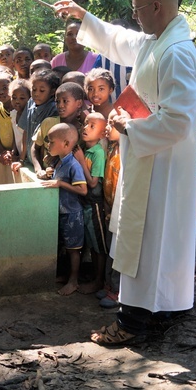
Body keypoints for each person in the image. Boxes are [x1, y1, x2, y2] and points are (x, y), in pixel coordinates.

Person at [54, 0, 196, 345]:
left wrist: (129, 125)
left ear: (156, 8)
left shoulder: (176, 51)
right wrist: (83, 16)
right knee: (157, 240)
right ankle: (163, 311)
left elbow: (179, 120)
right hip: (151, 158)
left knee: (149, 239)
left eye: (137, 10)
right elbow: (121, 40)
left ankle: (132, 323)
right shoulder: (158, 41)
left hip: (161, 166)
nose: (134, 17)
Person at [40, 123, 87, 296]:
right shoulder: (60, 161)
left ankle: (73, 281)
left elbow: (83, 190)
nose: (48, 145)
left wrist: (60, 183)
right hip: (62, 211)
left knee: (74, 249)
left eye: (52, 142)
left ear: (66, 144)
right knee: (65, 246)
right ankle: (66, 276)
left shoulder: (73, 165)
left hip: (72, 213)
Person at [78, 112, 108, 294]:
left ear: (102, 133)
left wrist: (81, 161)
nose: (86, 129)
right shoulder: (86, 148)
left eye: (92, 127)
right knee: (92, 243)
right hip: (86, 203)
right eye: (86, 124)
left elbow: (93, 183)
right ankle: (95, 276)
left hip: (95, 204)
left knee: (99, 245)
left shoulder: (97, 152)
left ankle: (99, 280)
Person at [31, 82, 86, 177]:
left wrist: (57, 157)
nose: (60, 105)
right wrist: (39, 170)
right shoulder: (48, 123)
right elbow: (35, 148)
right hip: (45, 177)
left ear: (79, 103)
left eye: (65, 101)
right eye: (57, 101)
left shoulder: (82, 132)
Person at [99, 119, 122, 308]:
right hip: (110, 207)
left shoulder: (126, 152)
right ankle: (109, 286)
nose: (107, 128)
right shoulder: (113, 148)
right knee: (109, 248)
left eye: (112, 124)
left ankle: (116, 291)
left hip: (120, 210)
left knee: (117, 251)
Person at [24, 69, 60, 171]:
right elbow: (25, 131)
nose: (36, 94)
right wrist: (22, 159)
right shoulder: (30, 102)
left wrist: (40, 168)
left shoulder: (54, 109)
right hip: (32, 161)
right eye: (34, 89)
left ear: (52, 91)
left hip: (46, 165)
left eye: (42, 90)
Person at [0, 73, 15, 165]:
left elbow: (19, 132)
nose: (1, 92)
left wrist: (13, 152)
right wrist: (2, 151)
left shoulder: (18, 107)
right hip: (3, 150)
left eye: (5, 88)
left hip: (16, 151)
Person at [8, 78, 31, 164]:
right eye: (14, 98)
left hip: (28, 158)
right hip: (20, 157)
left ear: (30, 98)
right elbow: (16, 136)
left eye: (22, 98)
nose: (17, 101)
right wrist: (14, 151)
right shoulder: (13, 114)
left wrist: (22, 158)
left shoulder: (30, 116)